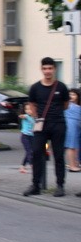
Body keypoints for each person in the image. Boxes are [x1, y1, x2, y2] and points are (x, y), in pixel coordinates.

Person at [24, 57, 69, 197]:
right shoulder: (35, 87)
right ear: (41, 69)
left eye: (50, 68)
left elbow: (65, 105)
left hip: (58, 124)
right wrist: (38, 117)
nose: (47, 71)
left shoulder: (61, 87)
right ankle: (35, 185)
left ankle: (60, 186)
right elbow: (32, 104)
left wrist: (55, 114)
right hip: (41, 125)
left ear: (54, 69)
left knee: (58, 155)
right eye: (45, 68)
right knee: (37, 152)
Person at [66, 88, 81, 172]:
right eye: (70, 94)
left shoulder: (78, 106)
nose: (71, 96)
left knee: (76, 146)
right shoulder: (67, 104)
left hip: (77, 126)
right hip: (70, 125)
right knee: (71, 146)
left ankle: (75, 163)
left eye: (73, 94)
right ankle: (71, 165)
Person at [19, 101, 36, 174]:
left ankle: (22, 167)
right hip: (25, 136)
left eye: (30, 109)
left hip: (32, 137)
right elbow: (22, 116)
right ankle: (32, 165)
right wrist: (22, 116)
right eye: (26, 109)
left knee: (29, 152)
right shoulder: (26, 116)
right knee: (29, 151)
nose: (28, 111)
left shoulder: (35, 117)